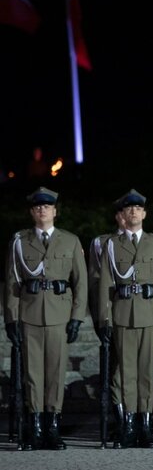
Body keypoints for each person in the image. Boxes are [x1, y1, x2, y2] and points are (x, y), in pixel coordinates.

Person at [4, 187, 88, 450]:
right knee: (32, 374)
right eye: (38, 207)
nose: (43, 210)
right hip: (29, 314)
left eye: (47, 206)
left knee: (55, 373)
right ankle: (35, 427)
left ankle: (52, 427)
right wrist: (11, 318)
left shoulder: (70, 241)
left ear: (55, 211)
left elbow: (81, 283)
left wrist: (76, 317)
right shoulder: (19, 240)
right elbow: (11, 283)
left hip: (59, 315)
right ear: (32, 212)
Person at [98, 189, 153, 449]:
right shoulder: (112, 245)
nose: (133, 212)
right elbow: (106, 283)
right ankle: (128, 425)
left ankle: (145, 426)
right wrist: (105, 319)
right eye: (129, 209)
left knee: (146, 373)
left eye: (138, 208)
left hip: (149, 314)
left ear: (144, 214)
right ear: (124, 214)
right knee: (127, 372)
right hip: (122, 314)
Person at [87, 197, 127, 447]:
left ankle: (130, 420)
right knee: (113, 369)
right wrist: (100, 319)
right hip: (110, 314)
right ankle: (118, 417)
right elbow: (94, 282)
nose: (127, 216)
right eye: (122, 212)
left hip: (133, 314)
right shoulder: (102, 243)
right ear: (117, 216)